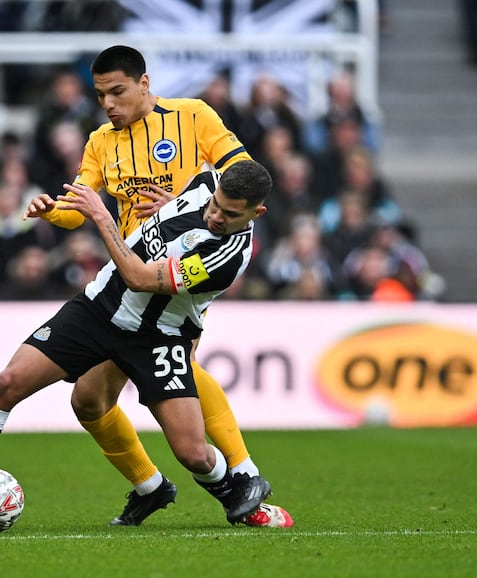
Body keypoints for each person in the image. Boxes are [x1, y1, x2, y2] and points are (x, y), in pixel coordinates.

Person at [0, 160, 275, 531]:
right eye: (215, 205)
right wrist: (170, 205)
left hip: (158, 335)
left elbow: (141, 278)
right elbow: (189, 209)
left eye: (228, 214)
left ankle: (238, 498)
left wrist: (102, 217)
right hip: (98, 307)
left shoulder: (228, 256)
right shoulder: (208, 182)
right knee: (8, 383)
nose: (215, 216)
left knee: (193, 453)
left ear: (256, 213)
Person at [27, 45, 293, 528]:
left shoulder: (193, 116)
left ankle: (244, 474)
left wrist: (189, 203)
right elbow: (77, 207)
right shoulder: (100, 143)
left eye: (117, 91)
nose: (108, 103)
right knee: (88, 399)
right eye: (100, 94)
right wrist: (53, 210)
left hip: (175, 276)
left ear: (144, 84)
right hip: (124, 280)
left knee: (180, 369)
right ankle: (151, 486)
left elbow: (244, 176)